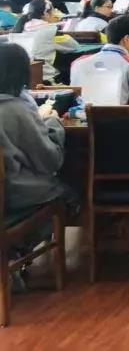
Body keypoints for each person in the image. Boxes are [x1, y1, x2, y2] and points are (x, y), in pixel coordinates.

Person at [0, 43, 74, 288]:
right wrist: (52, 124)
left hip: (9, 194)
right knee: (68, 195)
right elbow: (49, 160)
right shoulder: (15, 110)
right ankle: (14, 252)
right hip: (13, 196)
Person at [13, 0, 79, 83]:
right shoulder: (50, 30)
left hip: (21, 78)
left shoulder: (19, 28)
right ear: (45, 13)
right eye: (53, 11)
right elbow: (73, 46)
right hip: (43, 77)